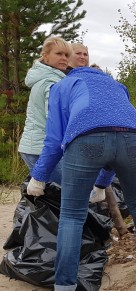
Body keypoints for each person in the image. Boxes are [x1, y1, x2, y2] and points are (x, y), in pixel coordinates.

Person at [26, 66, 136, 291]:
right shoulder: (117, 86)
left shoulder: (63, 85)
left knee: (71, 214)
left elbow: (54, 139)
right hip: (133, 138)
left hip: (86, 139)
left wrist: (39, 176)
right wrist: (102, 183)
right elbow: (116, 132)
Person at [18, 36, 71, 184]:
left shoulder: (45, 78)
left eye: (67, 55)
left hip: (33, 147)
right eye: (59, 54)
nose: (64, 58)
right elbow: (54, 118)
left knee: (50, 196)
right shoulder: (51, 82)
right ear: (45, 56)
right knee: (69, 191)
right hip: (42, 150)